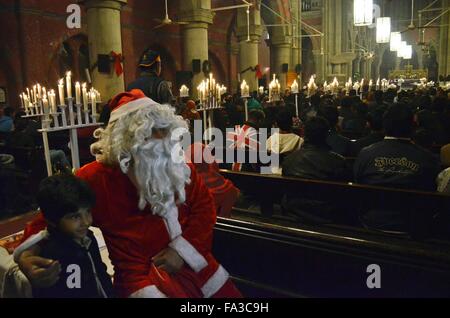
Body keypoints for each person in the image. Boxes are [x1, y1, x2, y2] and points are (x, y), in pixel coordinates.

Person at [16, 89, 241, 298]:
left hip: (196, 267)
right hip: (140, 280)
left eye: (165, 129)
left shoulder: (178, 164)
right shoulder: (96, 177)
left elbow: (204, 208)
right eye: (151, 132)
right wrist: (27, 255)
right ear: (124, 140)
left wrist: (182, 252)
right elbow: (53, 212)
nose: (162, 139)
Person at [14, 174, 113, 298]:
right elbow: (71, 290)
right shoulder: (57, 254)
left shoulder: (88, 238)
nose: (87, 222)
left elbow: (100, 273)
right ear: (52, 220)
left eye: (87, 211)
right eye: (75, 216)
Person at [354, 103, 441, 232]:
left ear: (384, 126)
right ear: (413, 126)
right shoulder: (427, 158)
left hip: (371, 221)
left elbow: (357, 181)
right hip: (411, 223)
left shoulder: (366, 153)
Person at [282, 116, 349, 224]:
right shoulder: (338, 161)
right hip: (327, 215)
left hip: (295, 213)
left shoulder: (289, 160)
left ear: (304, 133)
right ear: (326, 135)